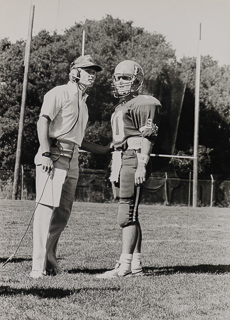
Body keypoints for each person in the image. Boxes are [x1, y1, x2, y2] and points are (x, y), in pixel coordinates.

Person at [30, 55, 110, 279]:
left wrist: (104, 149)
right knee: (45, 211)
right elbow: (43, 121)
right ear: (74, 72)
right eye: (88, 71)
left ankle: (50, 262)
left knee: (62, 214)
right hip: (53, 154)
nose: (92, 75)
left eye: (94, 71)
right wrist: (45, 153)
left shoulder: (83, 105)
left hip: (72, 158)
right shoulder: (59, 92)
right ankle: (37, 268)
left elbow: (80, 140)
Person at [96, 60, 162, 278]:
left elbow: (148, 136)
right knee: (131, 213)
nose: (120, 82)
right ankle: (135, 266)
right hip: (121, 158)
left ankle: (124, 267)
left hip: (134, 158)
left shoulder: (144, 103)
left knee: (126, 214)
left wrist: (142, 164)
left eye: (125, 77)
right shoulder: (122, 105)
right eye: (117, 77)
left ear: (137, 80)